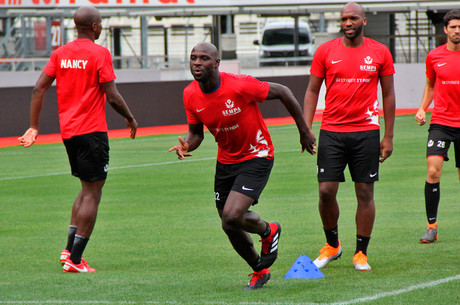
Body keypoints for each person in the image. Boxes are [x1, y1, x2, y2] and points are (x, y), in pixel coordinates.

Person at [169, 42, 315, 290]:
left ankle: (269, 230)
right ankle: (260, 270)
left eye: (204, 58)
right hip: (226, 161)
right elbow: (196, 134)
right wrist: (186, 146)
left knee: (233, 214)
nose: (196, 62)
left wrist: (304, 131)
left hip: (257, 155)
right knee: (228, 225)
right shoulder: (190, 94)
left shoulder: (239, 84)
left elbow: (283, 91)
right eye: (193, 57)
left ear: (216, 63)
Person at [18, 6, 138, 273]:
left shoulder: (61, 53)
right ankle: (75, 260)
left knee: (85, 190)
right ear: (95, 27)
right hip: (92, 132)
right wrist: (130, 118)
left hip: (69, 133)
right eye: (101, 23)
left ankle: (68, 250)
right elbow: (113, 96)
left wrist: (33, 126)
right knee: (93, 193)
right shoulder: (100, 53)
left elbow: (38, 88)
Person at [303, 2, 395, 271]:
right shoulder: (325, 51)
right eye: (344, 19)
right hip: (331, 131)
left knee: (365, 192)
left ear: (364, 21)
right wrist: (306, 128)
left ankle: (361, 253)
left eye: (353, 18)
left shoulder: (380, 52)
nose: (348, 23)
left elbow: (388, 95)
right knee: (325, 191)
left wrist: (388, 136)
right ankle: (332, 246)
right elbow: (311, 91)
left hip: (366, 132)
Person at [415, 10, 460, 243]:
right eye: (453, 27)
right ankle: (431, 226)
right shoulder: (434, 56)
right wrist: (423, 107)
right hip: (441, 121)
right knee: (433, 171)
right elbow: (430, 85)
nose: (457, 30)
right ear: (445, 29)